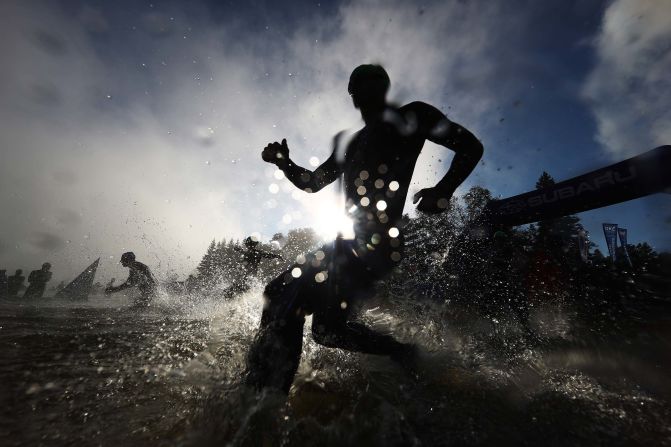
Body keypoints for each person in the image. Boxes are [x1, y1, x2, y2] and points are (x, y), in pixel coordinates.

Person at [245, 64, 484, 393]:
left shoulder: (413, 115)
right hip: (345, 243)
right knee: (326, 332)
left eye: (375, 83)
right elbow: (314, 183)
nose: (367, 92)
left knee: (279, 295)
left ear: (385, 87)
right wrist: (285, 162)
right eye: (360, 87)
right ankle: (402, 351)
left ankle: (262, 398)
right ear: (353, 96)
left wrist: (443, 190)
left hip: (380, 245)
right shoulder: (351, 143)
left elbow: (471, 146)